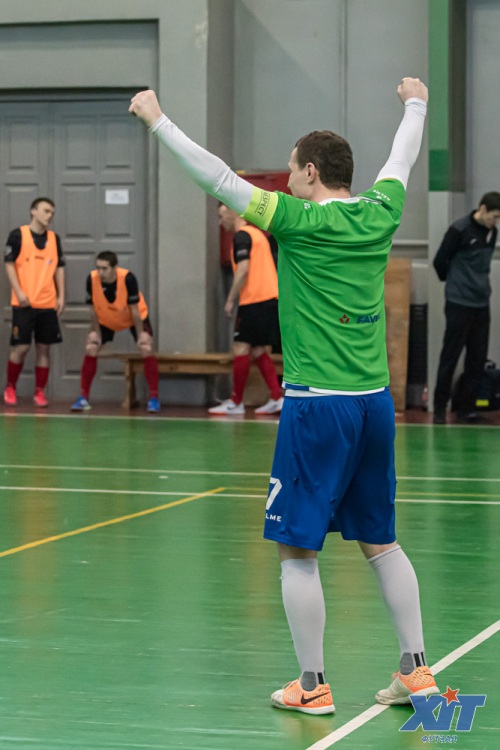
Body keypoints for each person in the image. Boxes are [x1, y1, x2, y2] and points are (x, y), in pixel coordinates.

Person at [129, 77, 439, 713]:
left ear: (311, 172)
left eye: (293, 168)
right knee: (381, 541)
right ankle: (417, 671)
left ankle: (312, 684)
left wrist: (158, 120)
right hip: (373, 404)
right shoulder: (381, 210)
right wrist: (416, 103)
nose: (287, 177)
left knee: (296, 549)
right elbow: (402, 157)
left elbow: (218, 178)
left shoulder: (297, 219)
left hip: (317, 406)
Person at [432, 192, 500, 425]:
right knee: (450, 356)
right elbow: (439, 262)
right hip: (459, 303)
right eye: (494, 217)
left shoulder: (492, 232)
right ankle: (440, 408)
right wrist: (456, 283)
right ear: (482, 209)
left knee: (476, 358)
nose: (495, 222)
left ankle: (467, 409)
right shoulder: (459, 230)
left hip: (481, 304)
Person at [209, 204, 283, 416]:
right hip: (268, 299)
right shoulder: (256, 234)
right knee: (257, 349)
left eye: (222, 216)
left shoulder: (242, 236)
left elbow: (243, 269)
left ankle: (236, 402)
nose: (220, 222)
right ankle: (276, 397)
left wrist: (230, 299)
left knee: (240, 347)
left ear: (234, 213)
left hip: (255, 301)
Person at [71, 251, 160, 414]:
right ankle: (83, 397)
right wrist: (96, 333)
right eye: (98, 268)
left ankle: (153, 398)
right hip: (107, 318)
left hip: (133, 317)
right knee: (91, 347)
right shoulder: (91, 279)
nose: (100, 272)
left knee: (146, 347)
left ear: (115, 268)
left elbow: (135, 311)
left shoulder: (128, 279)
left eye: (104, 268)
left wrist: (140, 334)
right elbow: (93, 310)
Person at [3, 197, 65, 407]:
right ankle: (10, 387)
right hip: (24, 303)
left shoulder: (54, 239)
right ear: (33, 211)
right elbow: (9, 264)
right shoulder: (17, 235)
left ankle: (40, 392)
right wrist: (19, 292)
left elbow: (59, 268)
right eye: (46, 211)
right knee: (21, 347)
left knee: (44, 349)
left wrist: (61, 296)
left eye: (52, 212)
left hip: (47, 304)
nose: (50, 215)